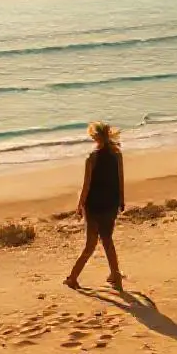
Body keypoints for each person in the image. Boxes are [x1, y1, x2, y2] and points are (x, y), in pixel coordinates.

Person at [64, 121, 125, 290]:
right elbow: (120, 179)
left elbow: (87, 185)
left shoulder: (92, 157)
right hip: (111, 203)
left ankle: (73, 278)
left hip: (94, 205)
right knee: (107, 240)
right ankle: (115, 275)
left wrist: (80, 205)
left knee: (90, 244)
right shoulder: (117, 155)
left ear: (96, 137)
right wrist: (121, 200)